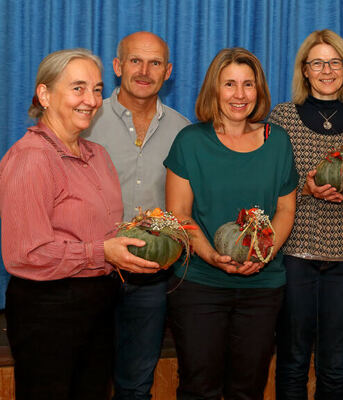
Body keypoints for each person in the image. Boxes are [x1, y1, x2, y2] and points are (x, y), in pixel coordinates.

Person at [0, 48, 160, 400]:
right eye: (78, 88)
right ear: (44, 95)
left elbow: (105, 231)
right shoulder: (30, 158)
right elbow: (25, 254)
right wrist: (102, 251)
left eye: (98, 89)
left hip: (99, 302)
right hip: (47, 309)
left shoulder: (96, 156)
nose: (91, 100)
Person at [164, 47, 298, 399]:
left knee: (248, 389)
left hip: (262, 285)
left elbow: (286, 210)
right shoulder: (190, 141)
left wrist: (264, 254)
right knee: (199, 387)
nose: (240, 95)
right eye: (229, 84)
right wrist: (211, 255)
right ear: (214, 89)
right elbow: (178, 213)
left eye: (248, 84)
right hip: (200, 284)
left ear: (259, 90)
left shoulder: (278, 142)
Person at [267, 29, 343, 400]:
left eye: (334, 62)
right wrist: (306, 190)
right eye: (318, 63)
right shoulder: (281, 118)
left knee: (335, 363)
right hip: (296, 254)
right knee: (293, 359)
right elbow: (269, 185)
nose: (327, 70)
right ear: (305, 70)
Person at [83, 31, 190, 399]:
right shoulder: (85, 123)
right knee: (86, 380)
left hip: (151, 280)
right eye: (135, 60)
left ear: (168, 71)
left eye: (155, 62)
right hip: (90, 274)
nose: (144, 71)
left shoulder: (183, 131)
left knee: (136, 383)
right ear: (117, 66)